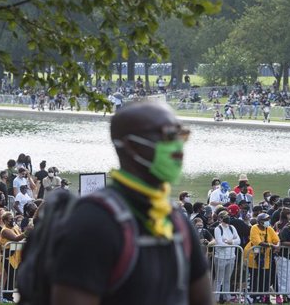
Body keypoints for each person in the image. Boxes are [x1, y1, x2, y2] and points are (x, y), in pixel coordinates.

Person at [50, 102, 212, 305]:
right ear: (131, 145)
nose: (178, 148)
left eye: (182, 136)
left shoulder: (177, 221)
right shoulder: (93, 221)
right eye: (168, 136)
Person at [245, 213, 279, 304]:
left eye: (268, 220)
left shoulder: (270, 229)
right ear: (260, 221)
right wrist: (271, 245)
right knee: (255, 276)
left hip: (266, 257)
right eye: (265, 220)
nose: (267, 222)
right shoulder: (254, 228)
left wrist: (277, 246)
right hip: (254, 256)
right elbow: (257, 242)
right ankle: (254, 296)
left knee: (265, 277)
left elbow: (277, 240)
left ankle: (264, 296)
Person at [214, 210, 241, 304]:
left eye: (228, 216)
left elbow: (238, 240)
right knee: (218, 279)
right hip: (220, 257)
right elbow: (220, 243)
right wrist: (231, 242)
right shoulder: (218, 229)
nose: (228, 218)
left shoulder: (232, 227)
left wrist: (230, 242)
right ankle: (216, 299)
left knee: (227, 279)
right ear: (221, 218)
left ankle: (227, 298)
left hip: (231, 256)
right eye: (225, 216)